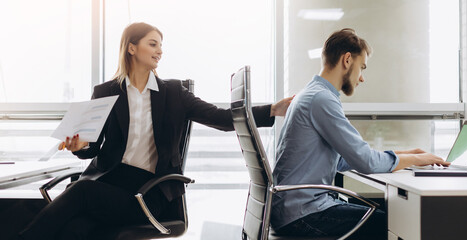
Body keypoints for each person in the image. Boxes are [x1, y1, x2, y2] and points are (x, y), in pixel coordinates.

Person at [18, 22, 292, 240]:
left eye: (161, 46)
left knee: (80, 192)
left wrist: (270, 110)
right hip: (110, 185)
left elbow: (221, 118)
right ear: (131, 48)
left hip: (147, 195)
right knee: (73, 230)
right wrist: (81, 147)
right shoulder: (106, 92)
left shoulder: (174, 93)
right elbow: (93, 146)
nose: (159, 51)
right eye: (153, 44)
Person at [270, 28, 449, 239]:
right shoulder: (321, 100)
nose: (362, 78)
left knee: (386, 214)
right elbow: (366, 162)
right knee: (395, 223)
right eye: (361, 67)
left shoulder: (310, 94)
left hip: (291, 211)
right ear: (347, 60)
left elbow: (342, 161)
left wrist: (405, 154)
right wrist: (417, 158)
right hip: (303, 216)